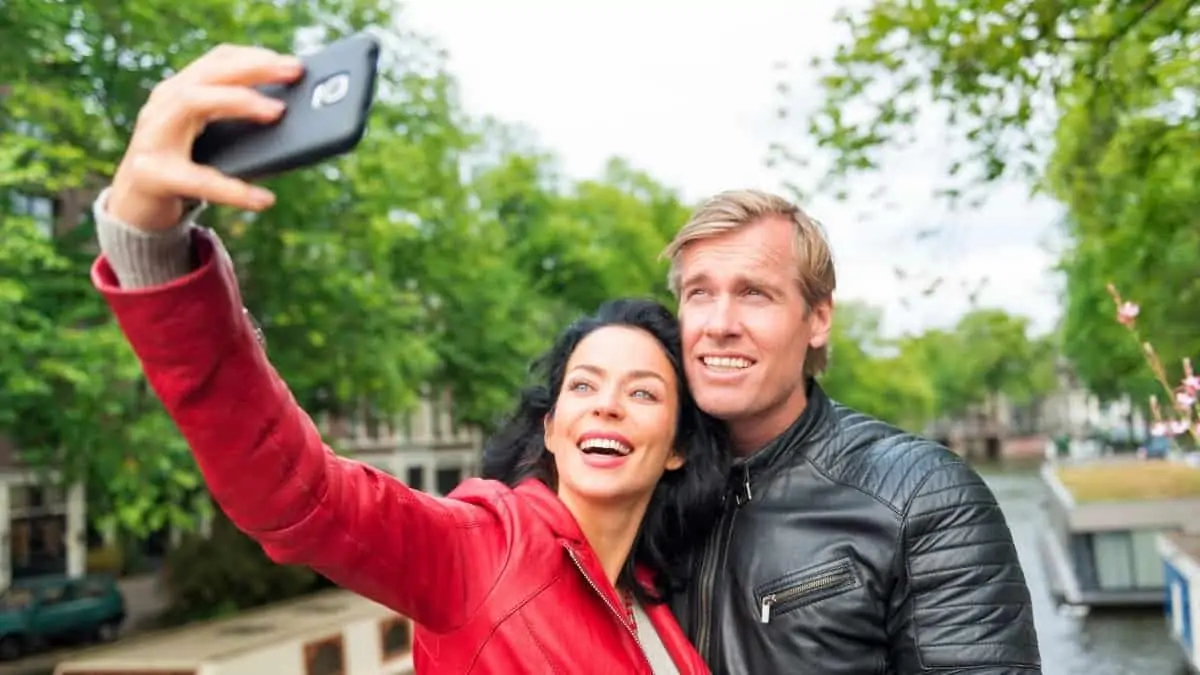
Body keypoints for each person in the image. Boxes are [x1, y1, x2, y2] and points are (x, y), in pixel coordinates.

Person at [88, 44, 729, 674]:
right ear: (551, 428)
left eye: (643, 393)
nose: (608, 404)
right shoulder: (479, 552)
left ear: (677, 446)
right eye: (584, 386)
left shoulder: (664, 612)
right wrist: (151, 247)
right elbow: (299, 491)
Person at [662, 189, 1043, 674]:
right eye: (699, 293)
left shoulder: (921, 497)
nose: (719, 324)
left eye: (753, 293)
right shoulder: (634, 488)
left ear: (818, 319)